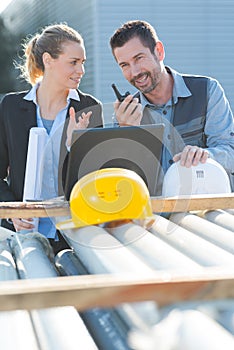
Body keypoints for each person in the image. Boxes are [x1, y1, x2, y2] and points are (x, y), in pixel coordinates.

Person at [0, 23, 103, 254]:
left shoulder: (89, 108)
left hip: (76, 236)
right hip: (23, 237)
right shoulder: (10, 108)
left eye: (82, 63)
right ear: (48, 60)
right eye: (73, 62)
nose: (81, 70)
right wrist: (12, 214)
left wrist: (73, 146)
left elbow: (95, 182)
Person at [109, 20, 234, 192]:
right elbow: (123, 182)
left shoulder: (207, 91)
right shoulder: (125, 116)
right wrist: (129, 135)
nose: (135, 72)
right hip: (157, 215)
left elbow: (230, 151)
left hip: (205, 211)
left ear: (159, 51)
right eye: (125, 65)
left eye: (139, 58)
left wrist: (206, 156)